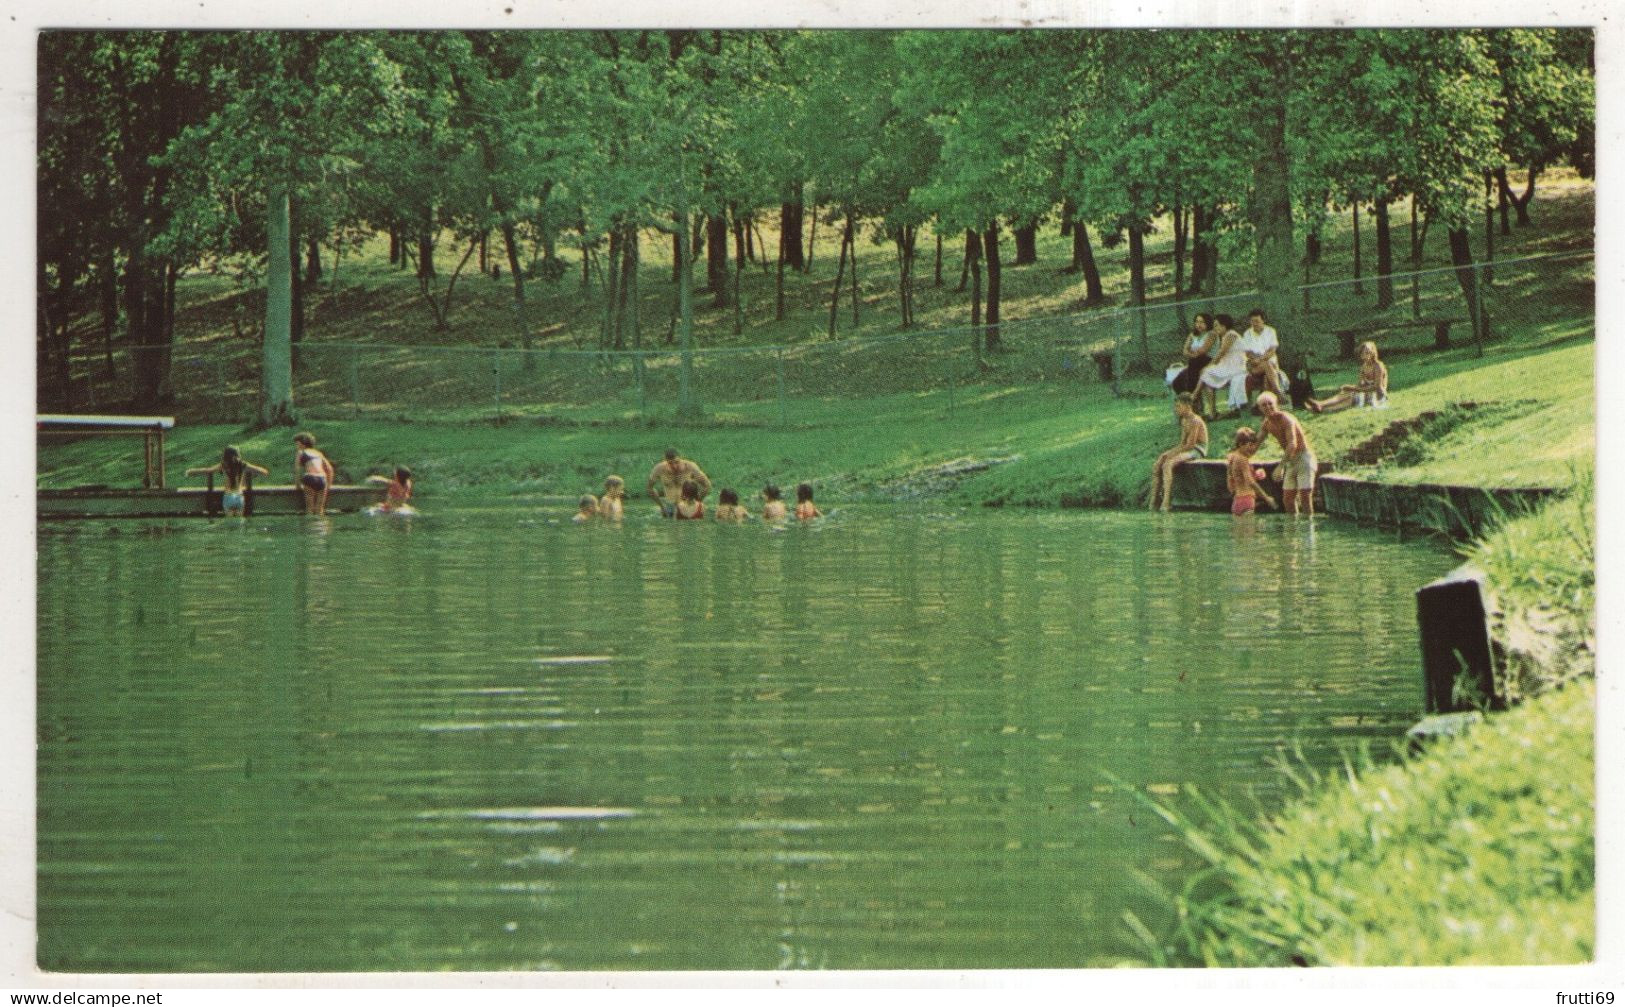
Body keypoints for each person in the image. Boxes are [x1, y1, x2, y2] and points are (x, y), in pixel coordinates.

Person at [1256, 392, 1317, 516]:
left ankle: (1308, 531)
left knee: (1305, 496)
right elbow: (1256, 443)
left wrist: (1280, 467)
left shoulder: (1286, 419)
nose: (1268, 407)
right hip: (1291, 460)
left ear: (1276, 404)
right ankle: (1292, 531)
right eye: (1264, 405)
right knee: (1288, 499)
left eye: (1270, 404)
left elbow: (1292, 444)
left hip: (1304, 457)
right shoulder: (1267, 423)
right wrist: (1238, 456)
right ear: (1260, 408)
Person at [1148, 392, 1209, 512]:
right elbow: (1182, 444)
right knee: (1158, 463)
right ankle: (1152, 501)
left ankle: (1166, 502)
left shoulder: (1195, 420)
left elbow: (1191, 445)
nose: (1176, 409)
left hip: (1198, 450)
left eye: (1178, 406)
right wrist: (1167, 453)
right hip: (1188, 448)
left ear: (1187, 406)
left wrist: (1172, 454)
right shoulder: (1184, 420)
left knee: (1168, 464)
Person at [186, 446, 269, 516]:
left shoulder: (223, 465)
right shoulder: (243, 465)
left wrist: (191, 471)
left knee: (229, 524)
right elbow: (264, 472)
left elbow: (208, 470)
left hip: (228, 496)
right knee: (239, 523)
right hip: (239, 497)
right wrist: (255, 474)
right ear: (238, 454)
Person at [1308, 341, 1388, 413]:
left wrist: (1354, 389)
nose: (1365, 355)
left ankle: (1321, 406)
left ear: (1373, 353)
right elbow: (1361, 384)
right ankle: (1321, 407)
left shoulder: (1378, 365)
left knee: (1351, 395)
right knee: (1348, 394)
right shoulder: (1364, 366)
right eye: (1363, 353)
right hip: (1366, 392)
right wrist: (1350, 387)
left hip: (1377, 395)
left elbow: (1377, 387)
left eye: (1368, 352)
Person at [1197, 314, 1250, 417]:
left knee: (1206, 371)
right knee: (1207, 377)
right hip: (1228, 366)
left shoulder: (1231, 335)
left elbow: (1221, 353)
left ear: (1224, 325)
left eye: (1217, 325)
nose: (1215, 328)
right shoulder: (1225, 336)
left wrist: (1209, 366)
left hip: (1237, 366)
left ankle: (1194, 395)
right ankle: (1212, 412)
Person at [1225, 427, 1277, 516]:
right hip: (1247, 501)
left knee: (1239, 529)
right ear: (1241, 444)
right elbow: (1250, 482)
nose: (1252, 448)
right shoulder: (1242, 459)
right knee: (1249, 529)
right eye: (1250, 445)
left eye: (1253, 445)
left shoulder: (1232, 457)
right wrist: (1267, 498)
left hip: (1237, 501)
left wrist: (1255, 475)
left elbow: (1231, 482)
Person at [1239, 308, 1287, 403]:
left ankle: (1262, 404)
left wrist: (1260, 359)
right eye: (1252, 321)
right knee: (1267, 365)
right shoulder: (1247, 334)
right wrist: (1256, 360)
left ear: (1263, 320)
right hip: (1254, 365)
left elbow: (1272, 350)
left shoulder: (1270, 331)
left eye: (1257, 321)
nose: (1254, 324)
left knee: (1266, 375)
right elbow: (1248, 353)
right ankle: (1278, 393)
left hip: (1270, 363)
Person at [647, 448, 711, 517]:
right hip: (670, 506)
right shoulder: (659, 468)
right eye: (670, 463)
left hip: (687, 506)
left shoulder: (690, 466)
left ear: (680, 458)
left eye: (676, 462)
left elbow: (707, 485)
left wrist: (697, 502)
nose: (674, 466)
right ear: (665, 461)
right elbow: (649, 488)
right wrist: (661, 506)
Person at [1169, 312, 1217, 397]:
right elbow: (1184, 351)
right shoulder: (1192, 335)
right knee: (1177, 382)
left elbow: (1203, 350)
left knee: (1192, 376)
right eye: (1197, 322)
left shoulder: (1212, 334)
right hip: (1194, 363)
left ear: (1208, 323)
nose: (1199, 325)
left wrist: (1192, 351)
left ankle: (1193, 400)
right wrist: (1194, 354)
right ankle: (1188, 401)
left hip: (1209, 361)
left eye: (1202, 322)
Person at [293, 433, 336, 516]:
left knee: (309, 509)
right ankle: (321, 528)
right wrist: (328, 486)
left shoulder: (301, 452)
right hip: (322, 479)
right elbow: (330, 469)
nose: (296, 446)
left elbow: (297, 470)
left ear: (301, 444)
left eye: (297, 444)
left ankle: (310, 527)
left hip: (310, 477)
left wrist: (298, 484)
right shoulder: (319, 453)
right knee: (320, 510)